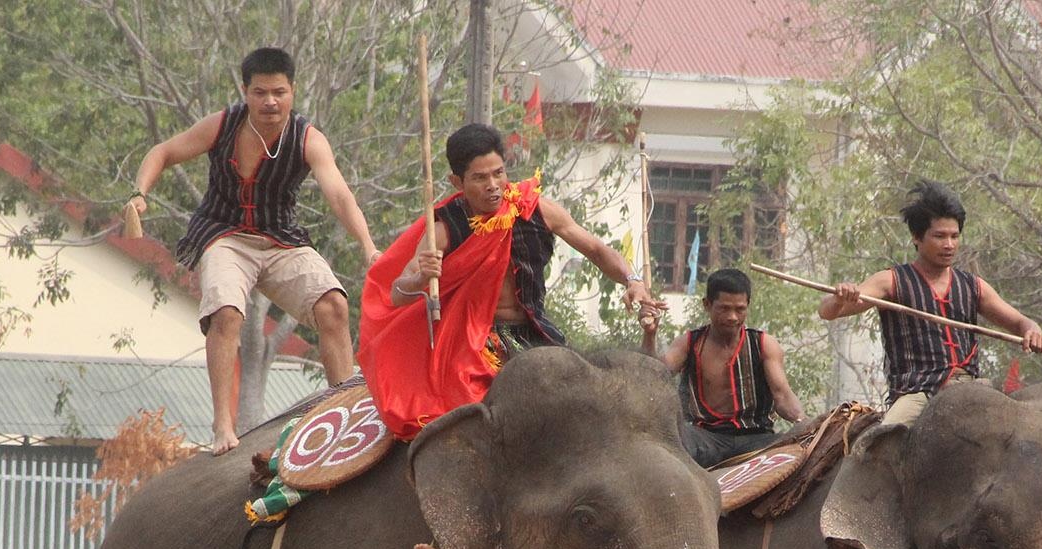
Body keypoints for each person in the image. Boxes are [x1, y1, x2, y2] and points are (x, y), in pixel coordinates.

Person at [130, 46, 379, 454]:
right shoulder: (222, 124)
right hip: (224, 235)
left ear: (292, 92)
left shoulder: (308, 138)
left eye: (279, 92)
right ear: (245, 91)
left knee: (333, 305)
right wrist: (140, 193)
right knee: (226, 311)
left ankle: (344, 412)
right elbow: (163, 152)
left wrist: (368, 247)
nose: (270, 102)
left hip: (280, 238)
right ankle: (222, 425)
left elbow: (339, 195)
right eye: (260, 92)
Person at [365, 122, 658, 437]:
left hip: (536, 331)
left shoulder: (535, 209)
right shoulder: (444, 230)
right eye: (479, 178)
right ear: (457, 182)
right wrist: (420, 277)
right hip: (475, 343)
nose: (493, 185)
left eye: (498, 173)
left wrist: (633, 279)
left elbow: (598, 250)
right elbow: (398, 293)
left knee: (588, 400)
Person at [816, 181, 1042, 426]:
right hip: (917, 394)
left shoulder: (973, 286)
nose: (949, 244)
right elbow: (828, 311)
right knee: (881, 440)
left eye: (954, 236)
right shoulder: (891, 281)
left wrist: (1032, 331)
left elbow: (1020, 322)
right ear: (917, 238)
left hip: (971, 388)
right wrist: (840, 297)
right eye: (939, 236)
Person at [642, 268, 806, 468]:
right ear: (707, 305)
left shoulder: (764, 344)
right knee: (662, 448)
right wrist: (650, 334)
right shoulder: (689, 343)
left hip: (757, 439)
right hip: (704, 439)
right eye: (724, 308)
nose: (733, 317)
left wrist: (804, 423)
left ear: (748, 306)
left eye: (740, 309)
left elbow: (783, 396)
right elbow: (652, 376)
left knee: (798, 454)